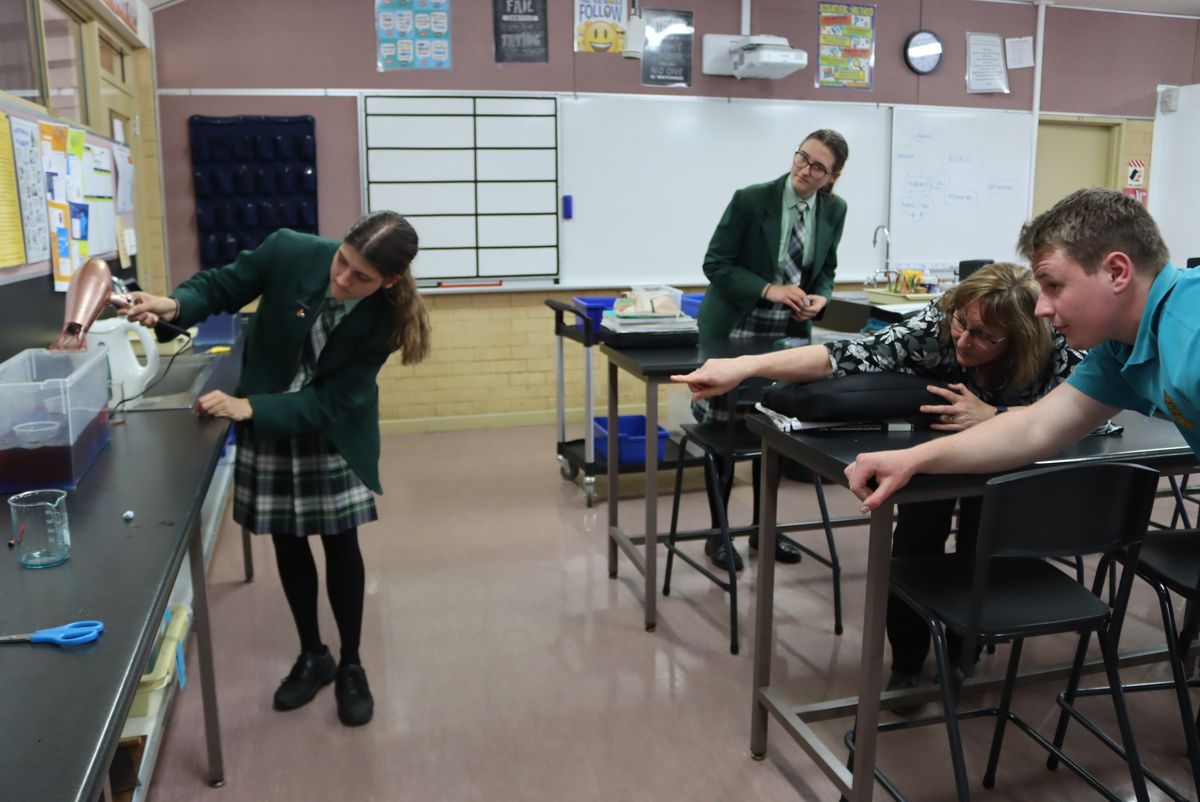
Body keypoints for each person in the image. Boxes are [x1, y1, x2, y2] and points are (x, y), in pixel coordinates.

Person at [673, 262, 1084, 690]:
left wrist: (996, 414)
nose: (964, 339)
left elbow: (1088, 412)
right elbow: (840, 358)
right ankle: (907, 663)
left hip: (1009, 450)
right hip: (934, 444)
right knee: (915, 540)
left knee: (982, 543)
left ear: (1019, 338)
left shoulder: (1054, 340)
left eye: (984, 336)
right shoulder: (937, 324)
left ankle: (964, 650)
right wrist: (744, 367)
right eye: (963, 323)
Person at [121, 212, 431, 727]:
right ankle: (313, 655)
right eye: (342, 261)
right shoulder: (290, 250)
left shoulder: (387, 320)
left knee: (341, 543)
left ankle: (351, 663)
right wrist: (174, 304)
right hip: (268, 415)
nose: (342, 279)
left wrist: (250, 408)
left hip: (328, 430)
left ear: (390, 281)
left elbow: (333, 401)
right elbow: (221, 285)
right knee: (288, 540)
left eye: (361, 277)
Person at [846, 188, 1200, 515]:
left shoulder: (1191, 334)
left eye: (1054, 285)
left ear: (1116, 272)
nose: (1041, 308)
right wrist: (912, 459)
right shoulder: (1120, 346)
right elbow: (1035, 428)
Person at [692, 129, 850, 569]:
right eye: (802, 157)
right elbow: (716, 264)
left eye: (818, 167)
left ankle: (765, 530)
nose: (804, 170)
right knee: (725, 432)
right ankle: (718, 534)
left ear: (832, 176)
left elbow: (826, 269)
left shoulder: (834, 209)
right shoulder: (751, 199)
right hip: (736, 326)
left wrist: (821, 298)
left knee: (775, 432)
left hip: (789, 331)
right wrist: (769, 289)